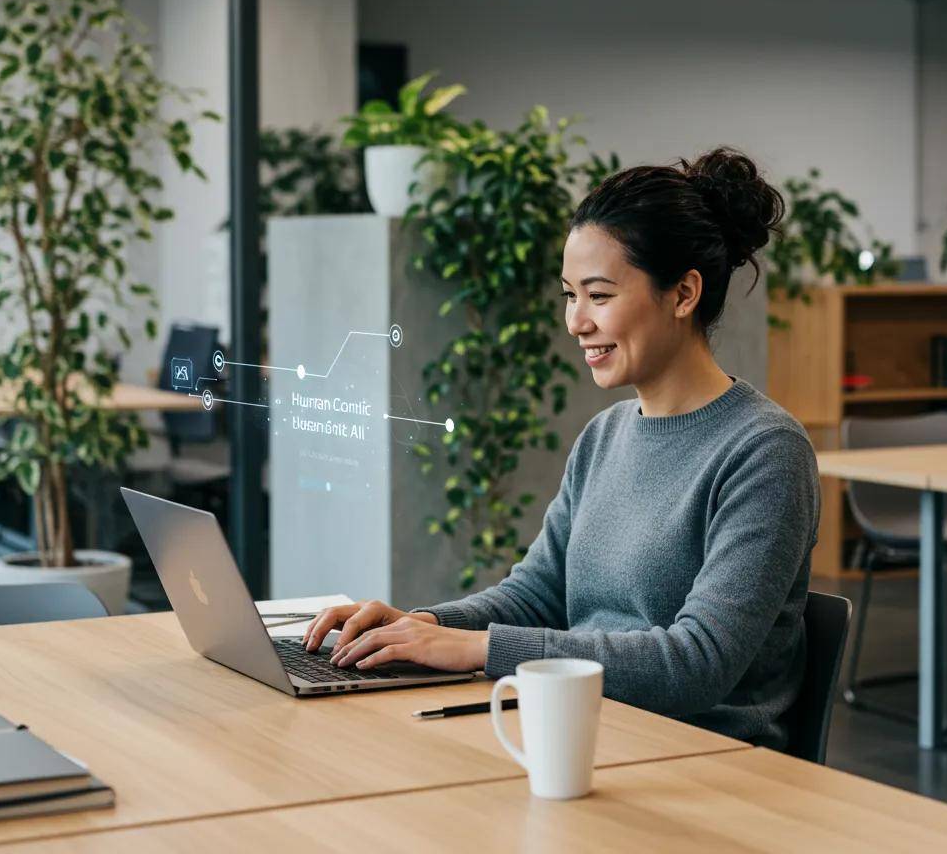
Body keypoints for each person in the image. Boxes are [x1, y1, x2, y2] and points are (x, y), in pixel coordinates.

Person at [303, 147, 819, 748]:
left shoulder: (765, 452)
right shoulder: (604, 436)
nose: (575, 322)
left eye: (599, 296)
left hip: (700, 759)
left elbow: (696, 663)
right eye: (569, 295)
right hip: (582, 731)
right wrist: (421, 624)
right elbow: (536, 596)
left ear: (684, 294)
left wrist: (478, 647)